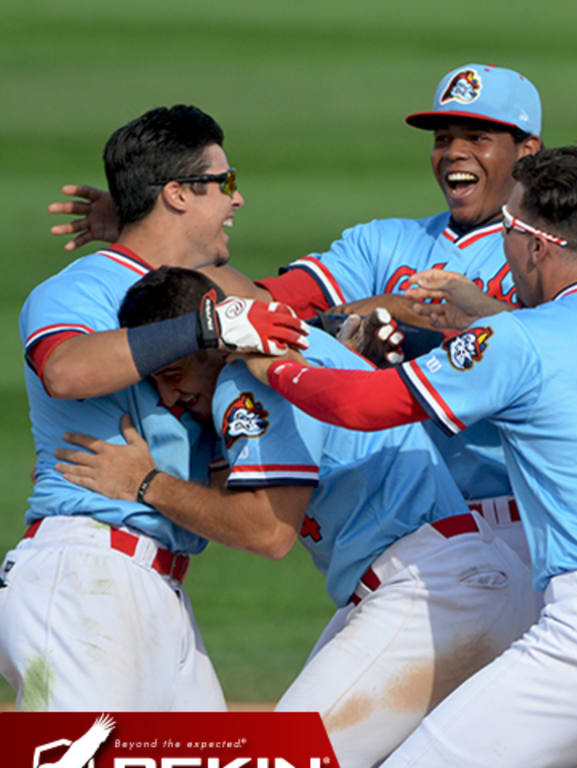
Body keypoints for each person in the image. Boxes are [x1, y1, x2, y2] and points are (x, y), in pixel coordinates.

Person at [240, 146, 577, 767]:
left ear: (538, 244)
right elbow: (571, 337)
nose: (505, 247)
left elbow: (364, 405)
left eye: (511, 231)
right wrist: (480, 309)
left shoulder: (519, 341)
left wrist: (274, 366)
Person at [47, 65, 545, 567]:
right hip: (423, 526)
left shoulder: (552, 251)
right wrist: (150, 219)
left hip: (527, 518)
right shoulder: (381, 243)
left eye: (477, 136)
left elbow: (559, 349)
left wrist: (413, 327)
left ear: (528, 151)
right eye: (443, 138)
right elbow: (259, 304)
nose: (454, 152)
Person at [55, 266, 537, 767]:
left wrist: (146, 483)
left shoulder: (244, 382)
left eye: (172, 375)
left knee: (277, 758)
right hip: (458, 582)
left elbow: (268, 532)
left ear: (210, 345)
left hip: (430, 591)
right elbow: (234, 487)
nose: (169, 397)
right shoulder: (288, 345)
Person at [0, 105, 305, 710]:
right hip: (85, 575)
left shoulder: (211, 290)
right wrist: (204, 325)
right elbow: (66, 370)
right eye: (228, 183)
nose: (237, 201)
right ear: (179, 194)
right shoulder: (79, 288)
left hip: (158, 590)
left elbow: (268, 308)